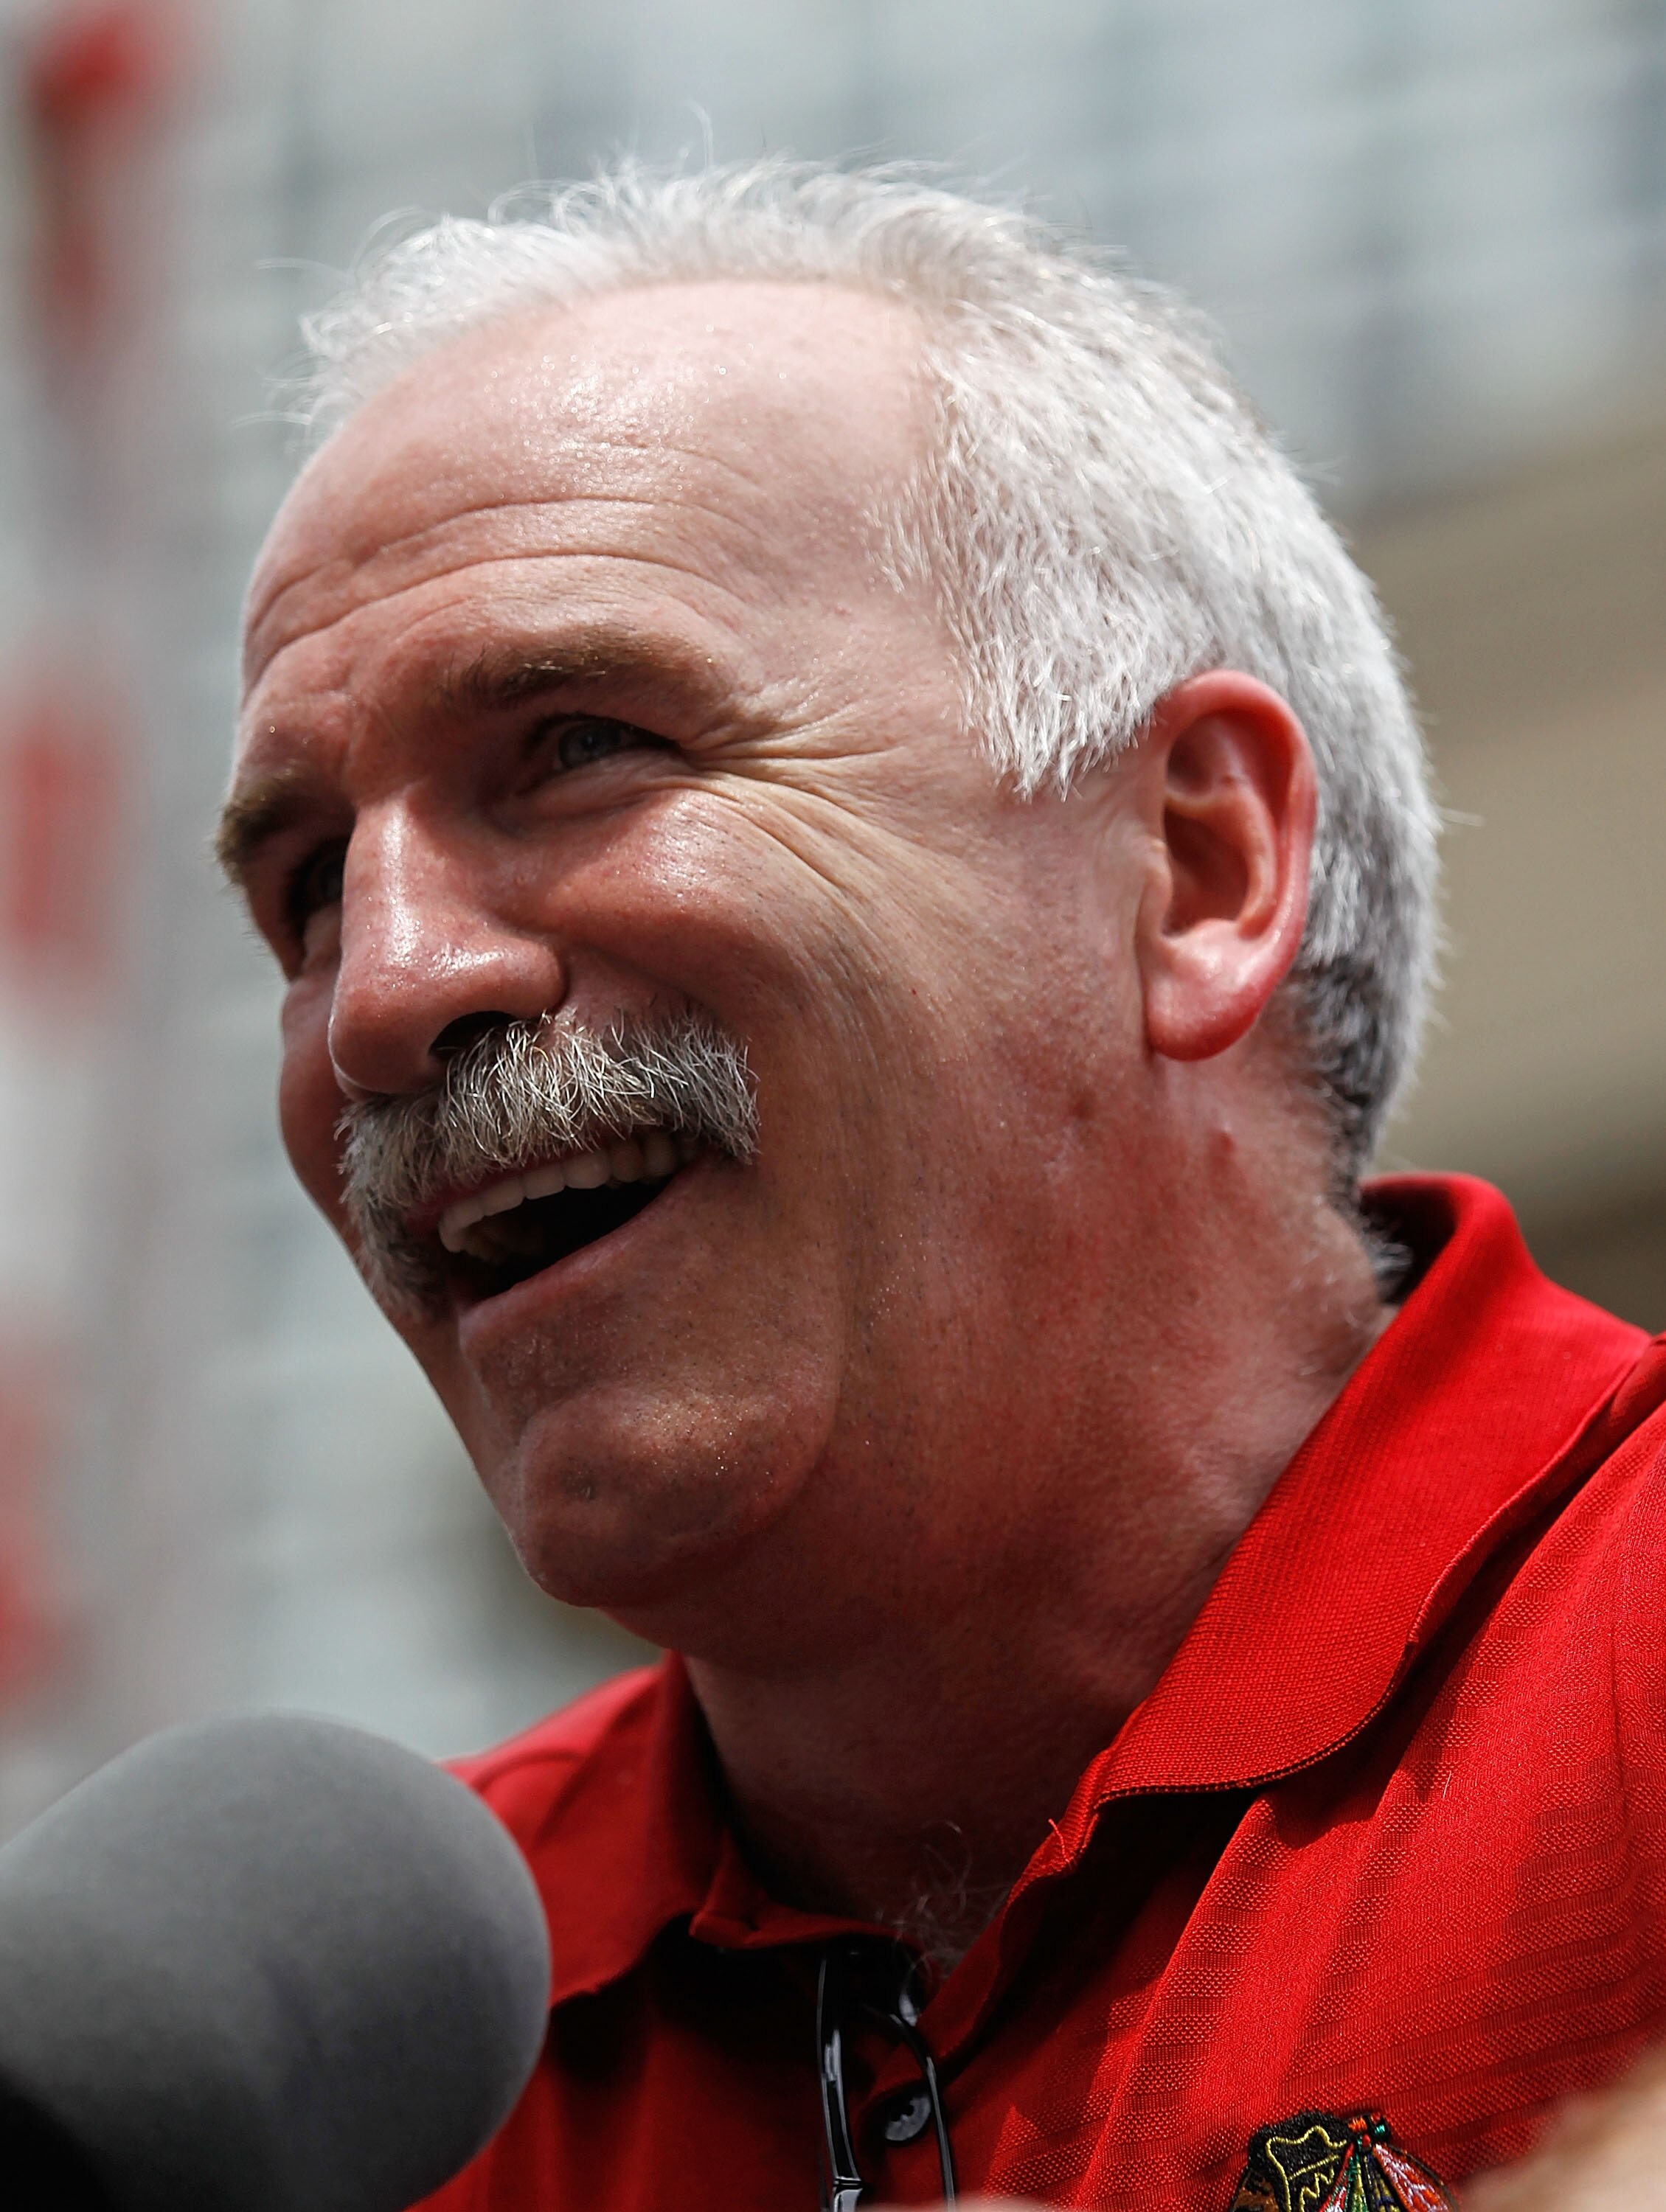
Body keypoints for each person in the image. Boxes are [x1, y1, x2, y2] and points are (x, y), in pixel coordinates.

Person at [218, 160, 1666, 2212]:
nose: (386, 993)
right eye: (298, 893)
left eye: (578, 747)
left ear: (1197, 870)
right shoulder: (350, 2085)